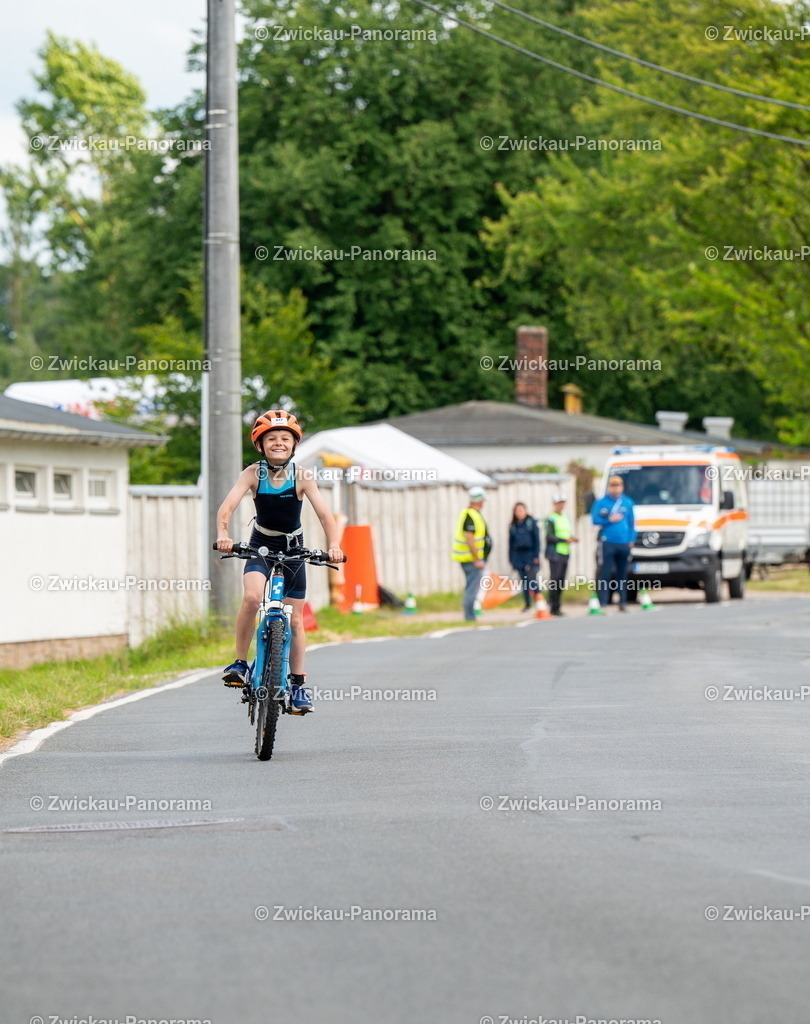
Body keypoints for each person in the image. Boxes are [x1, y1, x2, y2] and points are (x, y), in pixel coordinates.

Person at [215, 409, 343, 712]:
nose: (278, 443)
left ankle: (298, 685)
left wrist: (334, 545)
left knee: (296, 620)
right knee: (250, 598)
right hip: (260, 545)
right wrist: (224, 534)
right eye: (271, 438)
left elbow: (325, 515)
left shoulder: (303, 476)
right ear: (260, 445)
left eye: (285, 438)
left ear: (294, 444)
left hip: (294, 549)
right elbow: (227, 506)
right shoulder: (251, 473)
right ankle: (239, 663)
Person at [590, 475, 636, 612]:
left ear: (622, 487)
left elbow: (632, 523)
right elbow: (595, 520)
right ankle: (603, 601)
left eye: (618, 486)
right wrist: (610, 520)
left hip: (623, 543)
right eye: (613, 486)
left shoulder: (627, 502)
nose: (616, 488)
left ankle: (622, 601)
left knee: (622, 573)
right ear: (609, 487)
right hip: (608, 542)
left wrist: (631, 539)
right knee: (606, 572)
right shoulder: (601, 502)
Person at [451, 486, 492, 622]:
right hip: (470, 559)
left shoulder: (471, 514)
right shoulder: (470, 515)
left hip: (470, 558)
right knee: (472, 589)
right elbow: (470, 538)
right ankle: (469, 617)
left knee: (472, 587)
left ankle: (470, 615)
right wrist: (477, 559)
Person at [545, 493, 578, 616]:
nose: (561, 505)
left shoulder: (566, 517)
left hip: (565, 552)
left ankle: (558, 606)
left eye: (562, 502)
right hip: (555, 553)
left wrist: (572, 538)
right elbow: (549, 537)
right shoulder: (551, 518)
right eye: (559, 503)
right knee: (555, 580)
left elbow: (566, 533)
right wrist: (565, 540)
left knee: (561, 581)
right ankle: (552, 606)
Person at [508, 502, 540, 611]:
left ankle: (539, 601)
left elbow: (537, 541)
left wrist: (536, 556)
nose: (519, 513)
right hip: (518, 556)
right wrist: (511, 559)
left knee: (532, 580)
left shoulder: (531, 523)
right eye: (517, 511)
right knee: (524, 581)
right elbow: (510, 544)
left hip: (530, 555)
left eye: (521, 510)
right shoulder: (513, 526)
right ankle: (527, 604)